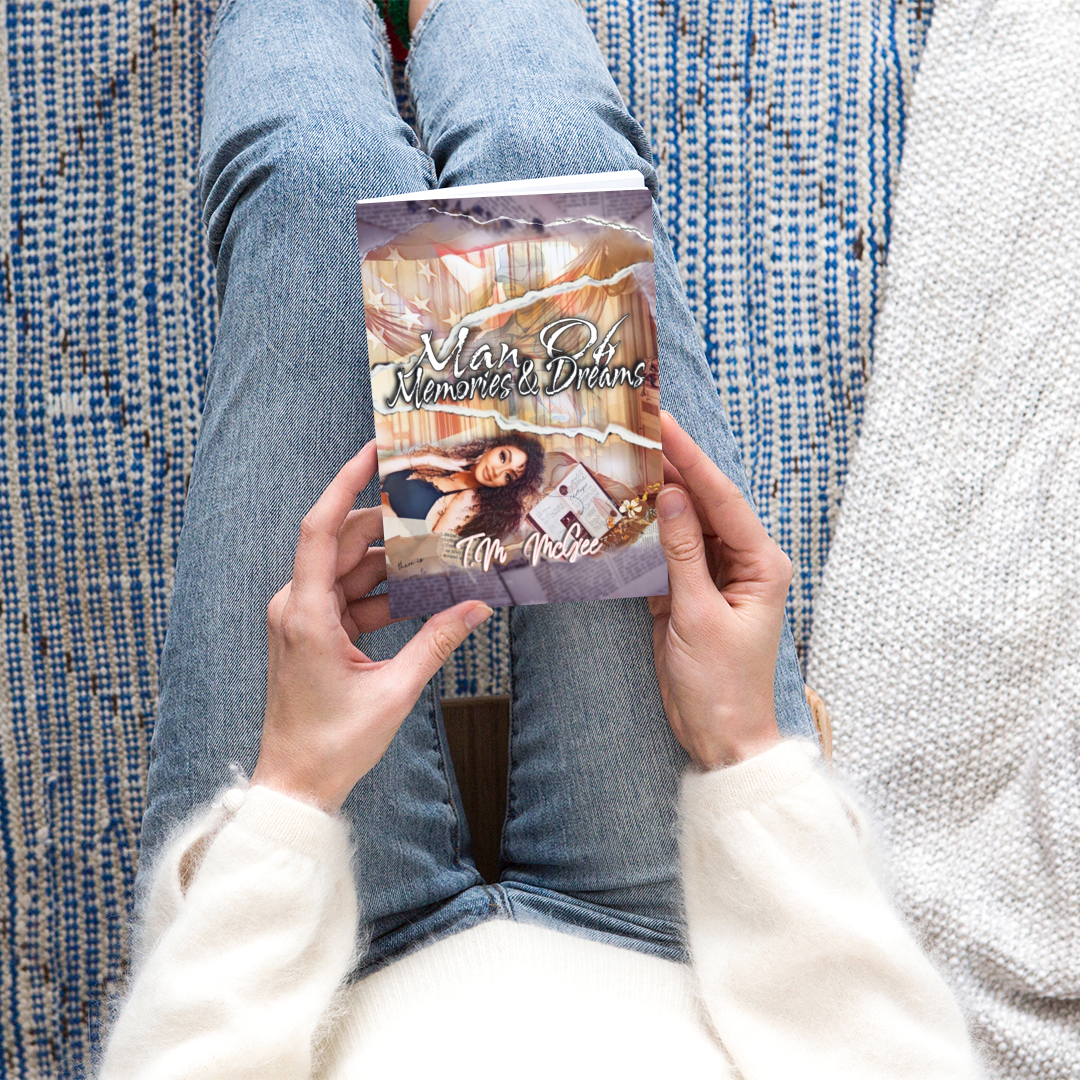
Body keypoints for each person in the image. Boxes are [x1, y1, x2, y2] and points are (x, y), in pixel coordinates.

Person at [100, 0, 983, 1076]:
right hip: (693, 938)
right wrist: (750, 752)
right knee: (552, 170)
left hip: (313, 986)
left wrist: (288, 794)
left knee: (311, 183)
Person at [379, 432, 546, 535]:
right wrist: (426, 459)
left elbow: (425, 554)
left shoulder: (468, 502)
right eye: (503, 457)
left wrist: (387, 510)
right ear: (492, 447)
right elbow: (378, 469)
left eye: (508, 476)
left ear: (506, 487)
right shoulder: (446, 460)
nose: (497, 471)